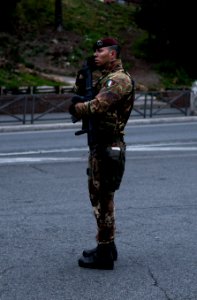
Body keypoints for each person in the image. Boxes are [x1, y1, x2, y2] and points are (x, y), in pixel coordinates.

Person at [69, 37, 135, 270]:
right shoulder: (105, 79)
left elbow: (96, 106)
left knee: (103, 198)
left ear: (113, 54)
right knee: (99, 196)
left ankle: (105, 253)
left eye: (101, 50)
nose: (96, 54)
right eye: (95, 51)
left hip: (109, 146)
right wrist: (83, 73)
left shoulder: (118, 80)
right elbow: (81, 93)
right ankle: (107, 245)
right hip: (101, 145)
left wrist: (76, 108)